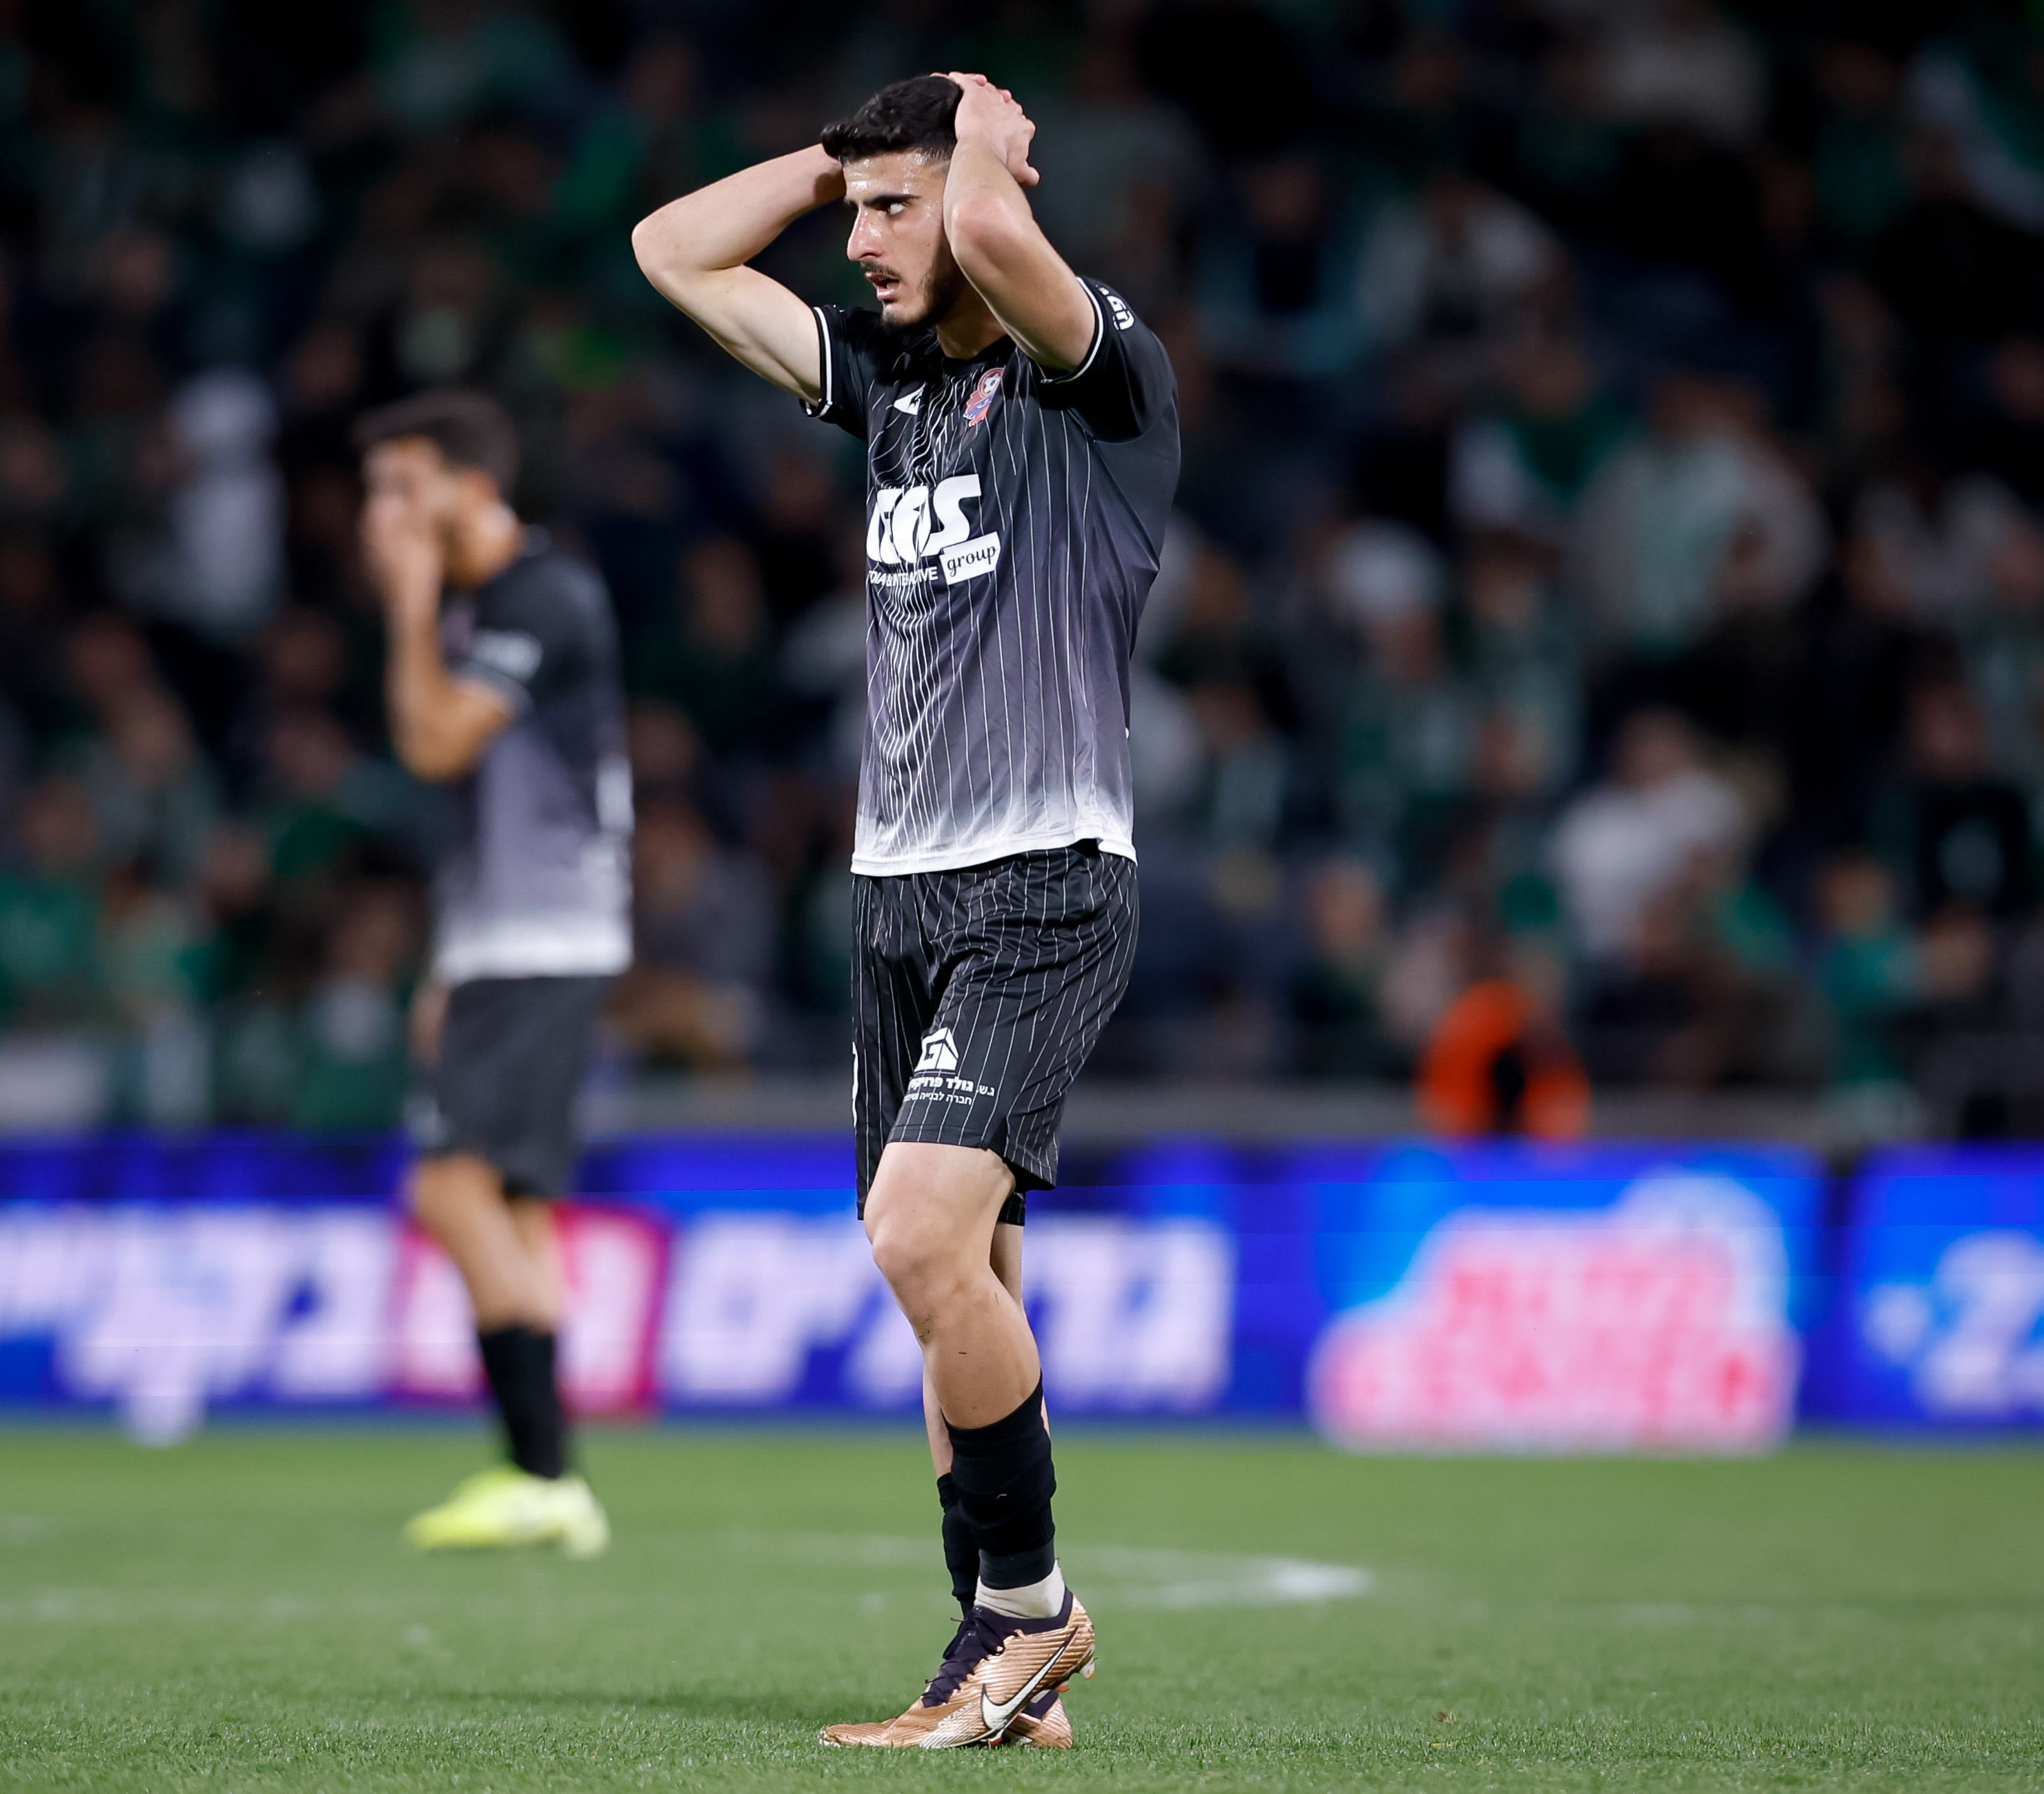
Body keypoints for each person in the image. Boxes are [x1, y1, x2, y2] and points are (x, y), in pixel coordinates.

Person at [633, 70, 1181, 1748]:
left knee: (918, 1236)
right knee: (960, 1284)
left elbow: (1002, 236)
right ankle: (988, 1667)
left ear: (980, 197)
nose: (862, 243)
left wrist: (987, 166)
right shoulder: (884, 382)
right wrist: (833, 165)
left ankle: (1033, 1616)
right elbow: (671, 251)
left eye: (894, 211)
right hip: (896, 894)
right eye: (857, 213)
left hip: (1045, 881)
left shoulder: (1097, 373)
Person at [355, 390, 629, 1559]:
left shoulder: (540, 598)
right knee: (513, 1205)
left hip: (544, 939)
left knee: (449, 1187)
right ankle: (546, 1477)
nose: (385, 516)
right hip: (500, 942)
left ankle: (542, 1471)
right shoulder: (491, 604)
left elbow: (432, 744)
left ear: (473, 487)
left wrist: (408, 602)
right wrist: (445, 960)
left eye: (403, 487)